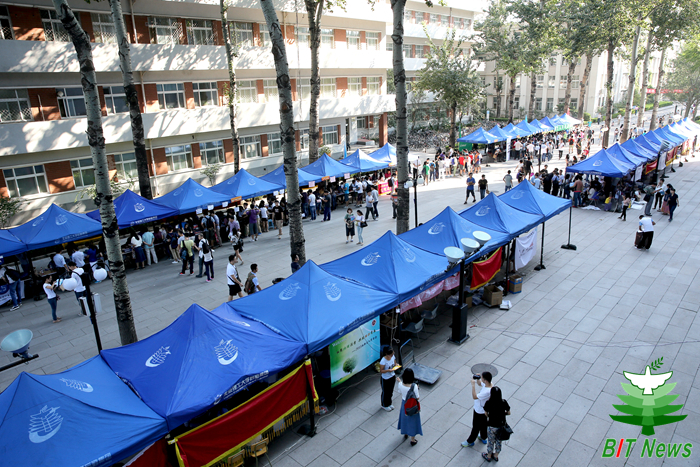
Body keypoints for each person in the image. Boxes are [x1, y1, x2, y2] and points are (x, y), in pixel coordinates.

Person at [462, 371, 492, 447]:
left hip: (479, 411)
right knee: (484, 425)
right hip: (484, 410)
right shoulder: (490, 384)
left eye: (482, 378)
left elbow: (475, 396)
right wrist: (478, 379)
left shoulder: (486, 392)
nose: (481, 379)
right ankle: (483, 437)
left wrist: (473, 385)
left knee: (476, 426)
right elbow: (480, 384)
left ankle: (470, 441)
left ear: (485, 380)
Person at [482, 386, 511, 462]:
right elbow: (509, 413)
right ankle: (496, 455)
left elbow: (486, 414)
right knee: (499, 441)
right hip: (501, 427)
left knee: (490, 441)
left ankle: (488, 456)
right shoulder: (503, 402)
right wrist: (503, 414)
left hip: (492, 426)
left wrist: (491, 416)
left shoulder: (488, 403)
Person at [397, 368, 422, 446]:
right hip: (412, 405)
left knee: (405, 419)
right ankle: (412, 440)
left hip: (404, 404)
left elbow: (400, 391)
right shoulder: (414, 386)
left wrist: (399, 382)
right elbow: (417, 397)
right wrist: (417, 388)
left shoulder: (400, 385)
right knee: (413, 422)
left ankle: (405, 432)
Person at [379, 347, 397, 411]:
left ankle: (389, 403)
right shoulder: (383, 361)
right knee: (385, 392)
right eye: (391, 355)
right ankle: (384, 405)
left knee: (390, 391)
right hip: (385, 378)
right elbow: (381, 370)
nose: (392, 355)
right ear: (387, 354)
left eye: (393, 354)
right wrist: (388, 370)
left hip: (392, 376)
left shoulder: (392, 357)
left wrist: (396, 365)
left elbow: (394, 363)